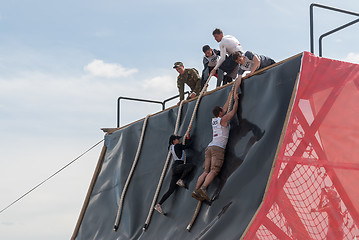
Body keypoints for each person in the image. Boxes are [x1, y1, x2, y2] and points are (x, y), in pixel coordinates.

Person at [192, 90, 239, 201]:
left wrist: (229, 95)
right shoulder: (223, 119)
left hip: (210, 147)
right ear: (220, 113)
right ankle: (203, 189)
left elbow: (224, 107)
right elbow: (232, 112)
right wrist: (236, 100)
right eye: (222, 110)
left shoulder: (215, 120)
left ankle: (196, 189)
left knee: (206, 171)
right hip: (218, 148)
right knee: (214, 170)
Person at [154, 134, 195, 215]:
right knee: (190, 166)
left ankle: (158, 205)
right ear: (174, 141)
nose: (179, 140)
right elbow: (188, 146)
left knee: (171, 190)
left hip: (175, 169)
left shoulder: (171, 147)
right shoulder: (177, 146)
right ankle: (181, 180)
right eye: (177, 139)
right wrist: (188, 137)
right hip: (178, 166)